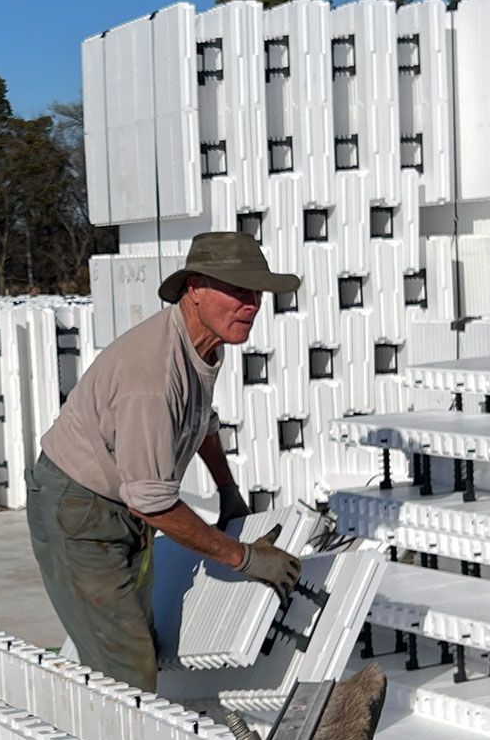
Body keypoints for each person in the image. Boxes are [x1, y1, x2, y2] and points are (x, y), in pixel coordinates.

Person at [27, 230, 304, 691]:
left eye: (257, 292)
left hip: (117, 503)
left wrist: (228, 490)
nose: (252, 304)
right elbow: (152, 505)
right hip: (79, 512)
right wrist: (246, 558)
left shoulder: (205, 344)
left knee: (138, 639)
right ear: (194, 289)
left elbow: (200, 420)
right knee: (127, 673)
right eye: (238, 290)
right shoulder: (152, 376)